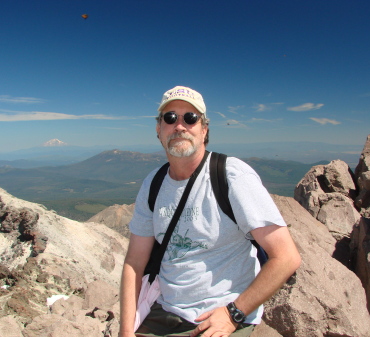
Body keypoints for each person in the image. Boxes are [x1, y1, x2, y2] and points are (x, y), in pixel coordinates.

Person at [120, 86, 301, 337]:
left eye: (190, 118)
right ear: (158, 130)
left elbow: (287, 257)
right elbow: (134, 262)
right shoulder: (154, 184)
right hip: (164, 311)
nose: (180, 126)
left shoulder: (232, 176)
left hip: (219, 316)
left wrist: (233, 314)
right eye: (170, 118)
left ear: (204, 130)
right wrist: (125, 331)